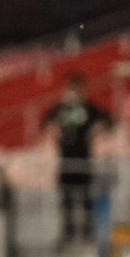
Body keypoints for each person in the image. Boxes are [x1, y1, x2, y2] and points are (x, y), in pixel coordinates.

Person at [42, 73, 110, 245]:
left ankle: (87, 233)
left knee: (86, 199)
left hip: (84, 161)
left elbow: (107, 120)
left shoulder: (88, 109)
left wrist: (95, 132)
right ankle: (68, 233)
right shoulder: (60, 109)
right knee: (66, 201)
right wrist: (54, 133)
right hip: (65, 161)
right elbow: (46, 123)